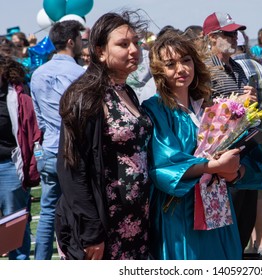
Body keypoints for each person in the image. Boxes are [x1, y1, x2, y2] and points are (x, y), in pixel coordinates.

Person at [143, 29, 262, 260]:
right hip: (178, 213)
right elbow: (164, 164)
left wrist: (235, 171)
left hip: (217, 208)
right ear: (159, 71)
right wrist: (211, 167)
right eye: (170, 64)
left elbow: (257, 166)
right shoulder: (155, 109)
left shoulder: (212, 109)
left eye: (186, 60)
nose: (181, 69)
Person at [55, 11, 153, 260]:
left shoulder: (126, 90)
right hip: (103, 229)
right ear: (99, 51)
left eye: (136, 43)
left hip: (136, 222)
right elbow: (72, 169)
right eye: (123, 44)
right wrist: (91, 232)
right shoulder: (85, 96)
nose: (134, 50)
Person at [202, 12, 262, 255]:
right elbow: (201, 112)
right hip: (219, 161)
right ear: (212, 38)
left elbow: (242, 110)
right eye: (228, 33)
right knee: (225, 230)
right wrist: (236, 104)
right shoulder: (203, 69)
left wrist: (249, 105)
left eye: (236, 33)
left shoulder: (236, 67)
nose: (235, 37)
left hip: (241, 155)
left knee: (243, 223)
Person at [30, 20, 85, 260]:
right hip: (73, 152)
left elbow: (39, 118)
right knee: (79, 211)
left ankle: (42, 262)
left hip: (50, 149)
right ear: (71, 41)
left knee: (47, 213)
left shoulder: (37, 74)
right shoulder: (79, 74)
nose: (84, 44)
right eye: (81, 39)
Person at [232, 31, 262, 259]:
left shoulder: (231, 70)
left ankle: (244, 245)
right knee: (258, 191)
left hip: (241, 141)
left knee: (240, 193)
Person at [0, 54, 41, 260]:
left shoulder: (20, 99)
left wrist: (37, 162)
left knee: (14, 224)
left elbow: (35, 134)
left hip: (9, 168)